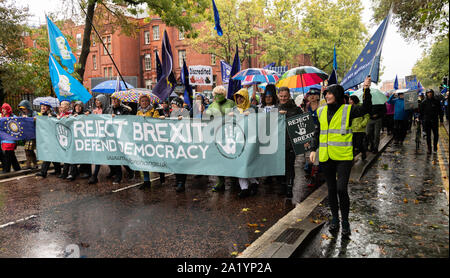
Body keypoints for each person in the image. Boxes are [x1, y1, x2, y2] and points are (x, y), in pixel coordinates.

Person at [309, 76, 372, 238]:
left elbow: (366, 108)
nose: (327, 96)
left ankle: (345, 221)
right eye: (326, 94)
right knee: (330, 190)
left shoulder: (348, 110)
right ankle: (335, 219)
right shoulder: (321, 110)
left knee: (341, 189)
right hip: (326, 156)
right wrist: (314, 149)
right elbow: (317, 131)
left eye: (330, 93)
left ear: (337, 94)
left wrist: (366, 89)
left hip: (343, 157)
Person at [229, 88, 259, 198]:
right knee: (239, 164)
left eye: (241, 97)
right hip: (237, 140)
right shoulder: (233, 109)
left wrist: (252, 114)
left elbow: (260, 121)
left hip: (249, 140)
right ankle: (244, 188)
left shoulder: (253, 108)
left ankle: (254, 182)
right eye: (237, 97)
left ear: (246, 97)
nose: (239, 99)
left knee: (246, 164)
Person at [205, 85, 236, 192]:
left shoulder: (231, 103)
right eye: (216, 94)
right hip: (217, 135)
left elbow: (238, 115)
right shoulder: (212, 105)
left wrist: (234, 114)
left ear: (224, 94)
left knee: (230, 156)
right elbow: (206, 118)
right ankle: (220, 181)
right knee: (218, 159)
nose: (218, 96)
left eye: (220, 94)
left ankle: (234, 179)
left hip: (229, 133)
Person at [278, 86, 303, 197]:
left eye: (285, 96)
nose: (283, 98)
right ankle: (282, 186)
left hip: (290, 144)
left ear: (289, 96)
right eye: (281, 96)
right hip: (277, 144)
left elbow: (302, 125)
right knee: (279, 166)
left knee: (289, 166)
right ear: (278, 96)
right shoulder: (275, 108)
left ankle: (289, 187)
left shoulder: (296, 109)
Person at [106, 97, 134, 184]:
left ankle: (126, 172)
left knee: (121, 156)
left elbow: (128, 121)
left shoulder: (125, 110)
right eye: (113, 100)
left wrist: (117, 117)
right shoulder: (108, 109)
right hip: (111, 136)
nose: (114, 101)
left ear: (119, 101)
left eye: (116, 100)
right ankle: (116, 173)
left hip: (121, 136)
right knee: (112, 156)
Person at [136, 94, 160, 190]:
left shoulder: (154, 111)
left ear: (149, 102)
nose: (144, 103)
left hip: (152, 140)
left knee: (155, 159)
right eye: (142, 101)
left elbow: (157, 122)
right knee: (144, 160)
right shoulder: (138, 112)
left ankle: (161, 174)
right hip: (142, 139)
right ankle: (146, 180)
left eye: (146, 101)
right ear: (140, 103)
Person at [166, 97, 190, 192]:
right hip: (174, 140)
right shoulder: (172, 113)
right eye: (172, 105)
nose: (172, 106)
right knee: (175, 161)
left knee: (181, 162)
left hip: (182, 141)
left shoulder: (185, 112)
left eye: (174, 104)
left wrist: (183, 118)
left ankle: (182, 183)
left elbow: (189, 121)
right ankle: (177, 179)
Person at [36, 102, 61, 178]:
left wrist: (52, 116)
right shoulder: (40, 115)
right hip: (45, 137)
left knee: (48, 154)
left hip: (52, 137)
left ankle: (43, 172)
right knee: (52, 154)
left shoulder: (52, 114)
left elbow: (57, 120)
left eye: (44, 106)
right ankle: (58, 170)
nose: (42, 108)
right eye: (42, 106)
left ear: (48, 108)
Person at [88, 94, 109, 184]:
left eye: (99, 100)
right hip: (97, 136)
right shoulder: (94, 110)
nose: (97, 102)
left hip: (106, 136)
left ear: (103, 101)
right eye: (96, 100)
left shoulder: (107, 110)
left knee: (109, 155)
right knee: (98, 154)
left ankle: (128, 170)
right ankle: (94, 176)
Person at [304, 88, 321, 187]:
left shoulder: (322, 105)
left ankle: (314, 176)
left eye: (314, 95)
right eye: (310, 95)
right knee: (309, 154)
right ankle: (309, 169)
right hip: (309, 132)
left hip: (319, 132)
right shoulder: (306, 106)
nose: (312, 96)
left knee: (316, 154)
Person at [419, 89, 443, 154]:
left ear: (432, 93)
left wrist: (441, 120)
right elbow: (421, 112)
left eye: (430, 93)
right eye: (428, 93)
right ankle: (429, 148)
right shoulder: (423, 102)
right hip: (427, 121)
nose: (429, 94)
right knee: (428, 136)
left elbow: (440, 111)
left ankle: (435, 147)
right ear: (426, 94)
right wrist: (420, 120)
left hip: (435, 121)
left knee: (436, 135)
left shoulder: (436, 101)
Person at [17, 100, 38, 170]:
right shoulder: (21, 114)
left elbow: (36, 119)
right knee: (29, 150)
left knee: (28, 149)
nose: (23, 110)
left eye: (24, 108)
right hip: (25, 135)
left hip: (32, 135)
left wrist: (28, 118)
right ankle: (35, 164)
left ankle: (28, 164)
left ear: (28, 107)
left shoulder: (34, 113)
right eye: (22, 109)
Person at [1, 103, 21, 173]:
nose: (3, 110)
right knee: (11, 154)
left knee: (8, 154)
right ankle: (17, 168)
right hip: (4, 139)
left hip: (11, 139)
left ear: (7, 109)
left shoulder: (13, 116)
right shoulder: (2, 117)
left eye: (4, 109)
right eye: (2, 109)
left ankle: (7, 169)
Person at [349, 95, 369, 160]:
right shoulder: (349, 108)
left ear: (354, 100)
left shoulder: (361, 107)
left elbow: (367, 116)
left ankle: (363, 153)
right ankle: (352, 157)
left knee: (359, 144)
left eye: (350, 99)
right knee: (353, 144)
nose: (349, 101)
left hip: (360, 130)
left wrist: (362, 125)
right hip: (352, 129)